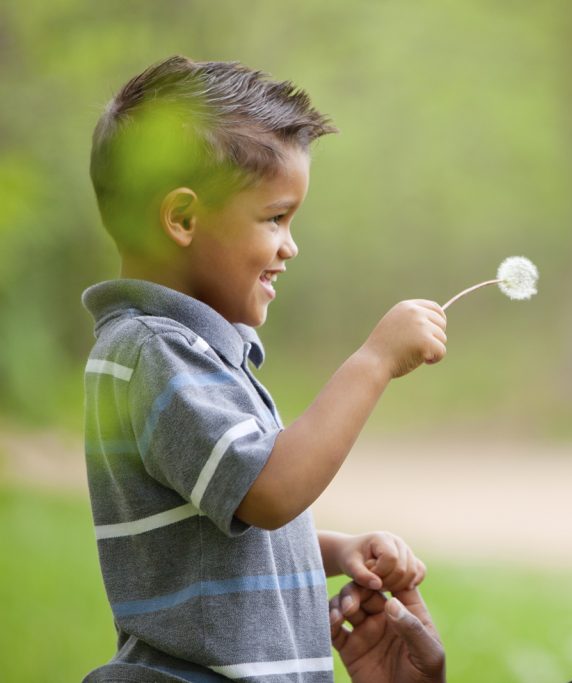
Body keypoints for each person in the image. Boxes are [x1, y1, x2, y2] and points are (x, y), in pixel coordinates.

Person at [81, 56, 447, 681]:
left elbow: (224, 526)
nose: (289, 245)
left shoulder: (194, 351)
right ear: (184, 218)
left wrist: (335, 550)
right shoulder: (150, 349)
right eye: (275, 218)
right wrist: (375, 360)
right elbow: (268, 492)